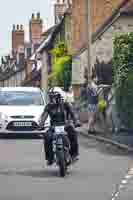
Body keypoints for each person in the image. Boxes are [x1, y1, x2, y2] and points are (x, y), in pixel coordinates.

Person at [39, 87, 79, 165]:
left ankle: (74, 154)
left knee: (73, 133)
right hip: (53, 127)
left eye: (54, 96)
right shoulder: (48, 106)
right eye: (51, 96)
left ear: (60, 96)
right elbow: (44, 116)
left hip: (65, 125)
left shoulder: (66, 104)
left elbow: (73, 113)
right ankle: (49, 158)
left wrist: (76, 121)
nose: (52, 98)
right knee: (47, 137)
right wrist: (41, 124)